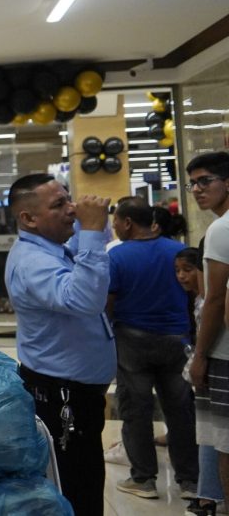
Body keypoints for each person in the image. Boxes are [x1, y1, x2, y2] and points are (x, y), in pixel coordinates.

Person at [4, 173, 112, 515]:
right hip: (62, 398)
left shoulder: (51, 248)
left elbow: (91, 248)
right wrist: (92, 230)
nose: (71, 209)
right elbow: (85, 300)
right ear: (29, 219)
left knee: (84, 481)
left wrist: (89, 226)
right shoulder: (32, 261)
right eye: (58, 205)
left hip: (77, 395)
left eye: (69, 199)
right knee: (76, 490)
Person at [105, 197, 197, 499]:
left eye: (116, 220)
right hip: (177, 340)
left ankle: (143, 478)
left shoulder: (117, 256)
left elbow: (108, 304)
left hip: (133, 342)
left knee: (136, 410)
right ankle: (190, 481)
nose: (114, 226)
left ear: (128, 223)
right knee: (180, 411)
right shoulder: (177, 251)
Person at [186, 152, 229, 501]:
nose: (197, 190)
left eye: (205, 181)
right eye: (193, 183)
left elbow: (214, 300)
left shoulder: (222, 228)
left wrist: (200, 355)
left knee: (226, 446)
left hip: (225, 353)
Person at [176, 248, 226, 515]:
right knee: (208, 431)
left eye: (189, 270)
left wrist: (200, 358)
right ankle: (208, 493)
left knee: (213, 433)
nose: (182, 276)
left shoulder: (212, 300)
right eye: (178, 271)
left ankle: (208, 497)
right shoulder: (197, 299)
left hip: (213, 369)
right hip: (206, 368)